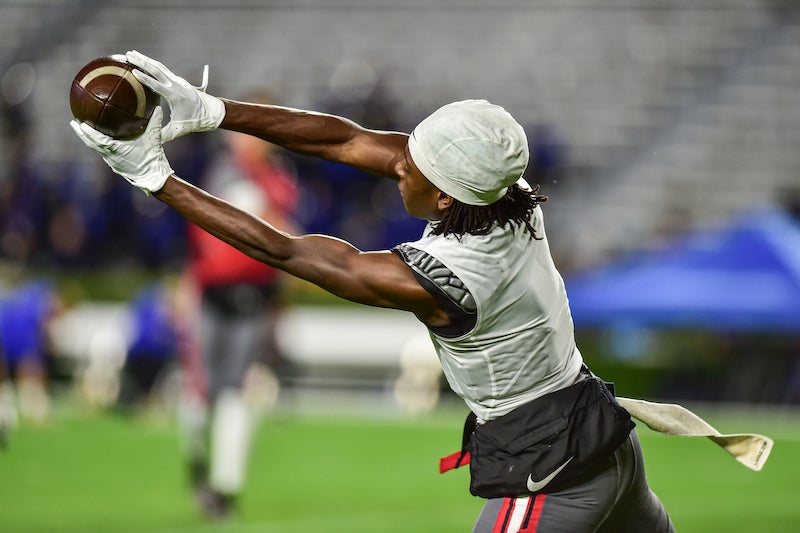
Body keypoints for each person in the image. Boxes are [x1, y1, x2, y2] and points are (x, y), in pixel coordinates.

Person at [70, 50, 675, 532]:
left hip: (552, 464)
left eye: (416, 163)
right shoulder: (504, 194)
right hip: (603, 440)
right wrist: (211, 109)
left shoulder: (453, 274)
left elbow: (287, 250)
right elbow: (345, 140)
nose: (400, 162)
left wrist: (157, 180)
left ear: (445, 195)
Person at [177, 90, 299, 519]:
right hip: (212, 293)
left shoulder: (275, 180)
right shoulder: (225, 172)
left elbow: (287, 241)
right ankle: (198, 461)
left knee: (232, 387)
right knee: (201, 388)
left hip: (252, 298)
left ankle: (225, 486)